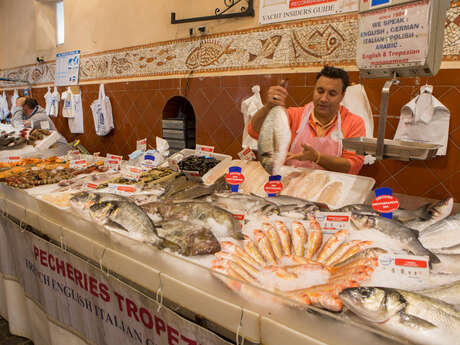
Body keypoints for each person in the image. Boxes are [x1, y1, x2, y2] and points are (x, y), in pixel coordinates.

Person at [248, 66, 365, 175]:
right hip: (290, 187)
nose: (324, 98)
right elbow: (254, 131)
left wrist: (317, 157)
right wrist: (269, 106)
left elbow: (353, 166)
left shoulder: (354, 123)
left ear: (342, 95)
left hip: (331, 190)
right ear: (314, 90)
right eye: (320, 91)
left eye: (332, 94)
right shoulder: (293, 115)